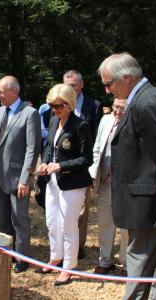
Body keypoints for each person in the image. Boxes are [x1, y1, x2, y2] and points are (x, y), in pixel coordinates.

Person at [98, 52, 156, 300]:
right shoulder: (140, 99)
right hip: (145, 202)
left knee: (140, 267)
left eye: (109, 83)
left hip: (149, 204)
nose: (107, 90)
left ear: (128, 77)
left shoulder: (148, 102)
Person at [0, 75, 41, 273]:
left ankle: (22, 258)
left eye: (1, 91)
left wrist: (25, 179)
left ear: (14, 92)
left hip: (17, 179)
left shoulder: (30, 114)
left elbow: (33, 149)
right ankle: (8, 253)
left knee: (19, 220)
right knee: (3, 220)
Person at [34, 84, 93, 285]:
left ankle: (69, 266)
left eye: (58, 106)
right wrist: (44, 163)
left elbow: (86, 159)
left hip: (72, 183)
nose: (54, 109)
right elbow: (49, 147)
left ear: (69, 104)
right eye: (51, 105)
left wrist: (60, 165)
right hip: (52, 182)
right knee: (52, 222)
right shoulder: (53, 121)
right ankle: (55, 256)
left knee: (68, 225)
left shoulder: (81, 125)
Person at [63, 69, 103, 259]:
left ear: (81, 85)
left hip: (83, 164)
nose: (70, 89)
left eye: (74, 86)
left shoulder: (93, 106)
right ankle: (64, 244)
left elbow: (97, 137)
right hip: (61, 165)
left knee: (81, 208)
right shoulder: (56, 105)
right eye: (67, 85)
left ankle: (78, 245)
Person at [88, 98, 129, 276]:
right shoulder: (105, 120)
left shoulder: (134, 121)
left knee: (127, 226)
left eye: (122, 108)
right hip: (105, 180)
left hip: (127, 183)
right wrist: (93, 172)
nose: (118, 111)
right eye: (116, 107)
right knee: (105, 222)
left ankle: (127, 264)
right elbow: (97, 147)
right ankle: (105, 260)